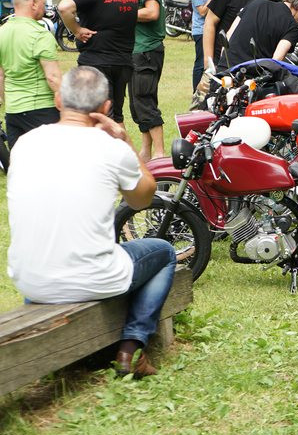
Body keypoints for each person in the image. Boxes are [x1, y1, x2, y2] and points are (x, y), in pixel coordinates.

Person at [6, 66, 176, 377]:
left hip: (32, 281)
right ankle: (132, 346)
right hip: (95, 278)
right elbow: (142, 198)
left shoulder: (24, 144)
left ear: (58, 100)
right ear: (106, 108)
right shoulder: (111, 148)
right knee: (164, 252)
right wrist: (125, 142)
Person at [57, 0, 139, 124]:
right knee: (116, 117)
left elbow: (64, 7)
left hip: (96, 62)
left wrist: (76, 30)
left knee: (97, 118)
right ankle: (123, 151)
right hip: (124, 62)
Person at [110, 0, 166, 162]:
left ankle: (160, 155)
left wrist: (122, 12)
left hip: (147, 51)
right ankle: (146, 150)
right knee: (137, 103)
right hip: (137, 50)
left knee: (144, 100)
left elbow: (152, 12)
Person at [201, 0, 292, 75]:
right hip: (220, 65)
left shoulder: (277, 5)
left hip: (252, 74)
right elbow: (210, 22)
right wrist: (208, 61)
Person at [0, 0, 62, 147]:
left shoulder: (2, 32)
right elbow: (53, 77)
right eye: (43, 1)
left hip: (13, 112)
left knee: (22, 166)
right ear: (33, 3)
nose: (45, 6)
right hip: (41, 110)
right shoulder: (40, 35)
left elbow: (0, 75)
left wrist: (5, 102)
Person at [225, 0, 298, 65]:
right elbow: (277, 60)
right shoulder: (292, 27)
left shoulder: (254, 2)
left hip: (225, 67)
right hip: (250, 77)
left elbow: (229, 34)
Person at [189, 0, 221, 90]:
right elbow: (202, 11)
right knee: (200, 63)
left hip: (207, 30)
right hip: (200, 31)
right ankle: (195, 89)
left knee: (208, 61)